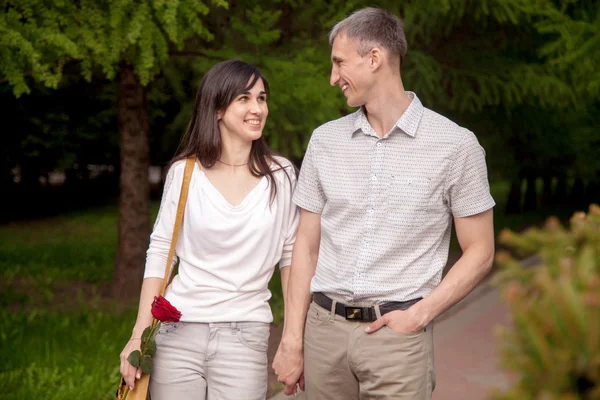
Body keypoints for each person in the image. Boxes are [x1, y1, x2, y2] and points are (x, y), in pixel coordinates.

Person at [273, 7, 495, 399]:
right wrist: (293, 339)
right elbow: (305, 246)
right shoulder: (324, 141)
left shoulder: (456, 145)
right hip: (323, 333)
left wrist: (419, 315)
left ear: (374, 58)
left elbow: (480, 251)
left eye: (339, 63)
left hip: (398, 340)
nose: (332, 78)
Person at [119, 59, 299, 400]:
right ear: (217, 108)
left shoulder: (282, 175)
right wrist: (138, 333)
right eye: (244, 99)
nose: (257, 108)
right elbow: (160, 253)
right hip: (178, 333)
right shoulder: (184, 173)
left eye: (261, 98)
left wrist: (293, 337)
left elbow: (291, 258)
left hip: (245, 334)